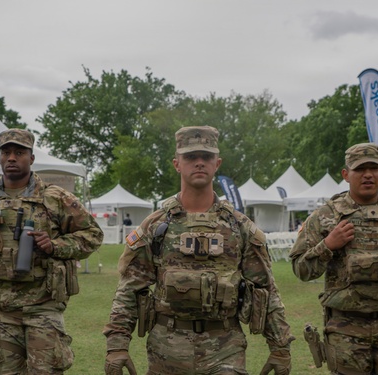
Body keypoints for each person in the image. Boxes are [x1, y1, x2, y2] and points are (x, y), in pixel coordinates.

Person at [103, 126, 294, 375]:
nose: (200, 163)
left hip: (225, 348)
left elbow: (266, 289)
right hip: (167, 350)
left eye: (207, 157)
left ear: (217, 163)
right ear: (177, 164)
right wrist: (117, 346)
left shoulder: (240, 227)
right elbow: (129, 288)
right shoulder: (157, 225)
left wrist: (280, 348)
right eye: (191, 157)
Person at [0, 128, 104, 374]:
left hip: (43, 307)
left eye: (19, 152)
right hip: (1, 311)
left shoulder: (55, 198)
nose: (11, 158)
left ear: (31, 158)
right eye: (6, 152)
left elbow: (93, 235)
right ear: (0, 157)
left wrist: (56, 246)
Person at [290, 143, 378, 374]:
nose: (367, 174)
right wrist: (328, 245)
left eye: (374, 167)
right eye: (360, 169)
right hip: (345, 328)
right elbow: (301, 270)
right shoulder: (325, 217)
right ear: (346, 175)